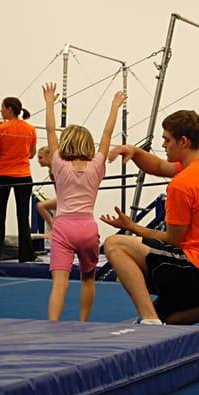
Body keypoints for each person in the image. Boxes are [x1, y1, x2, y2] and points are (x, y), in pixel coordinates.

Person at [100, 109, 199, 344]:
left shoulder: (182, 185)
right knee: (169, 318)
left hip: (196, 269)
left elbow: (173, 239)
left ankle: (149, 321)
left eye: (166, 140)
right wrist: (134, 151)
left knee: (114, 245)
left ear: (183, 141)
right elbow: (160, 167)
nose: (163, 145)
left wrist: (133, 227)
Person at [42, 82, 125, 321]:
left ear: (66, 143)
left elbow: (50, 132)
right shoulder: (97, 164)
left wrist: (49, 104)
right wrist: (114, 107)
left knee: (60, 283)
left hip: (64, 226)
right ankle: (82, 323)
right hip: (87, 227)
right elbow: (107, 135)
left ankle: (53, 325)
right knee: (88, 279)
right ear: (88, 144)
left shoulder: (58, 163)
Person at [0, 97, 38, 263]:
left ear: (9, 109)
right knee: (23, 216)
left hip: (3, 174)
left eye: (2, 108)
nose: (1, 110)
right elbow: (32, 153)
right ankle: (26, 254)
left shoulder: (2, 129)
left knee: (0, 214)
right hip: (23, 174)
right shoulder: (30, 129)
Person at [36, 146, 57, 238]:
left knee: (41, 206)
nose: (38, 161)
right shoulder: (51, 170)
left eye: (41, 158)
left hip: (67, 198)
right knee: (44, 206)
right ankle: (54, 228)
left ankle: (54, 229)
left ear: (50, 156)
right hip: (62, 197)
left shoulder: (57, 168)